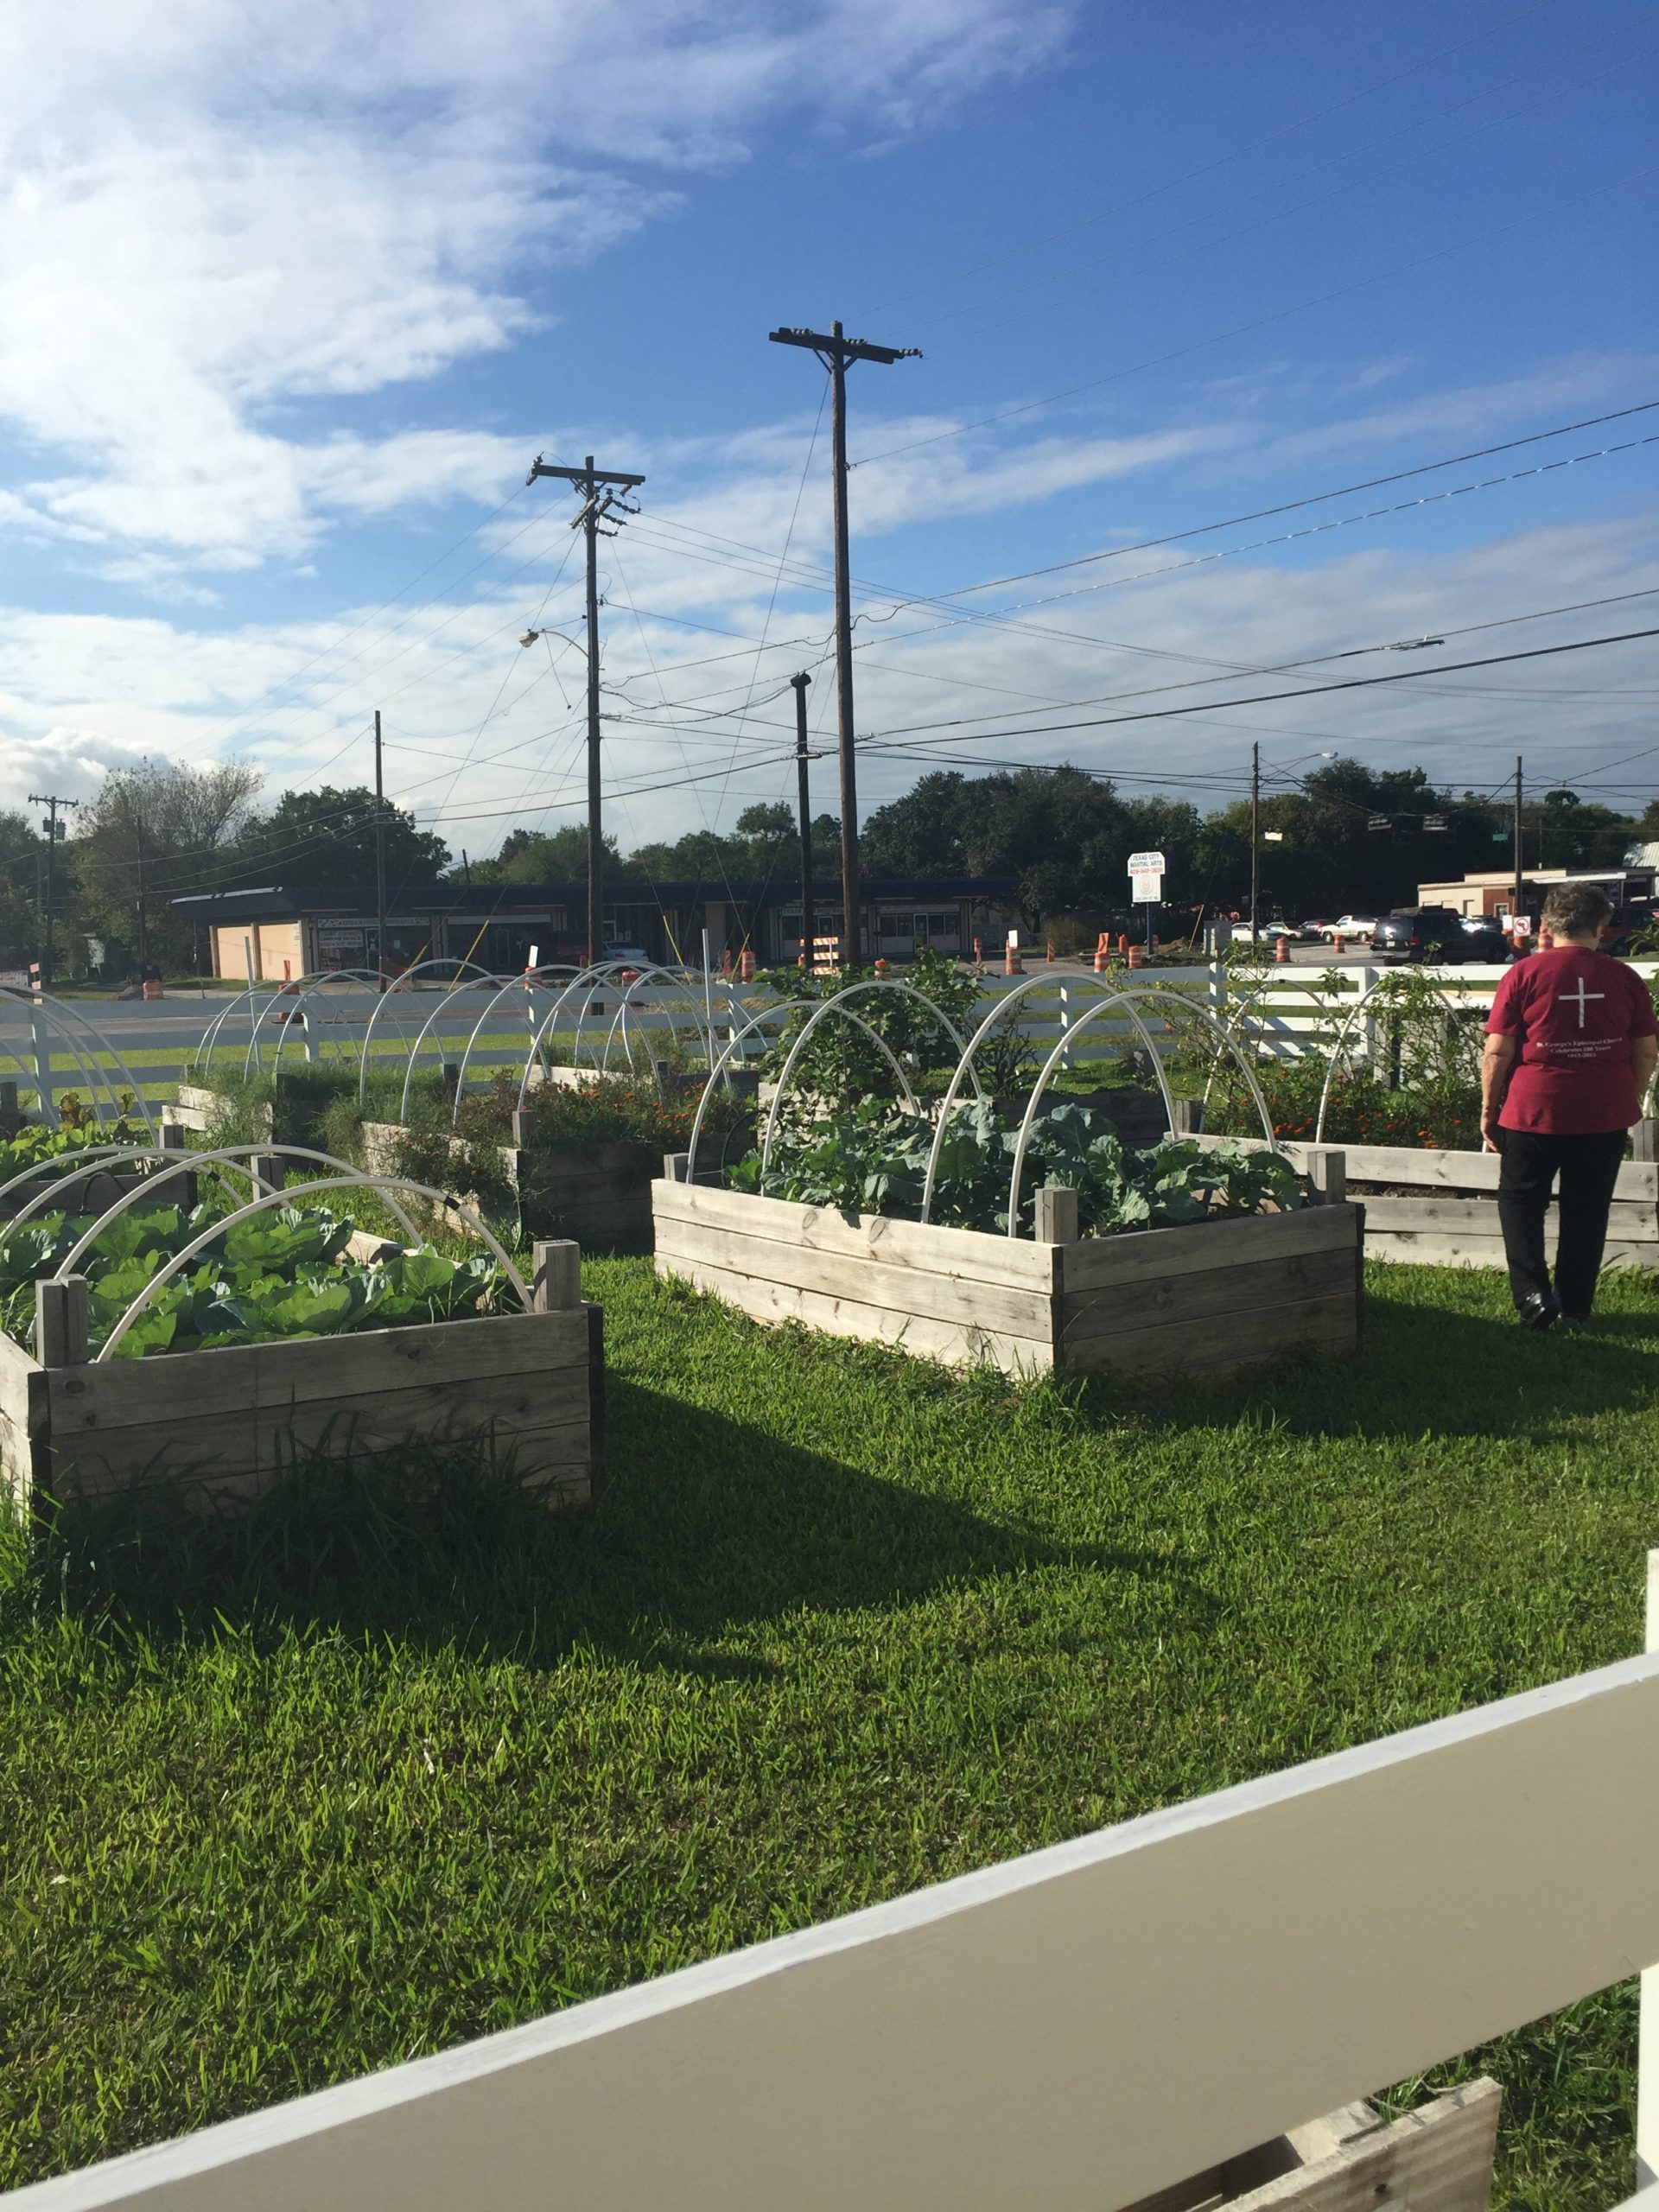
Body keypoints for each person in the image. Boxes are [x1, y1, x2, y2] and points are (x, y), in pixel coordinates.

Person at [1482, 880, 1658, 1328]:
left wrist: (1488, 1107)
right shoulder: (1624, 978)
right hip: (1603, 1113)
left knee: (1521, 1202)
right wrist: (1627, 1097)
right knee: (1588, 1208)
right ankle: (1576, 1305)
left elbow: (1498, 1051)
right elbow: (1647, 1052)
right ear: (1602, 927)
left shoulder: (1522, 975)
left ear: (1546, 925)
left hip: (1533, 1109)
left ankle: (1533, 1297)